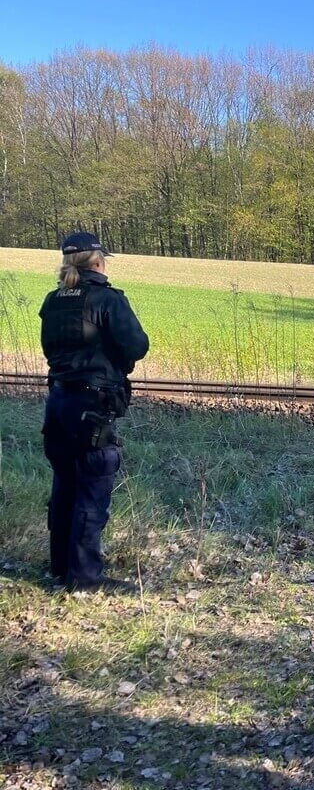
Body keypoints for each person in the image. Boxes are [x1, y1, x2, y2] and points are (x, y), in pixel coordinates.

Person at [39, 232, 149, 593]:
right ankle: (85, 577)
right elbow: (138, 345)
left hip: (57, 403)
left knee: (65, 485)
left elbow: (50, 349)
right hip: (92, 408)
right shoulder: (107, 300)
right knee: (92, 487)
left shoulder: (53, 301)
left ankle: (60, 568)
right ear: (99, 262)